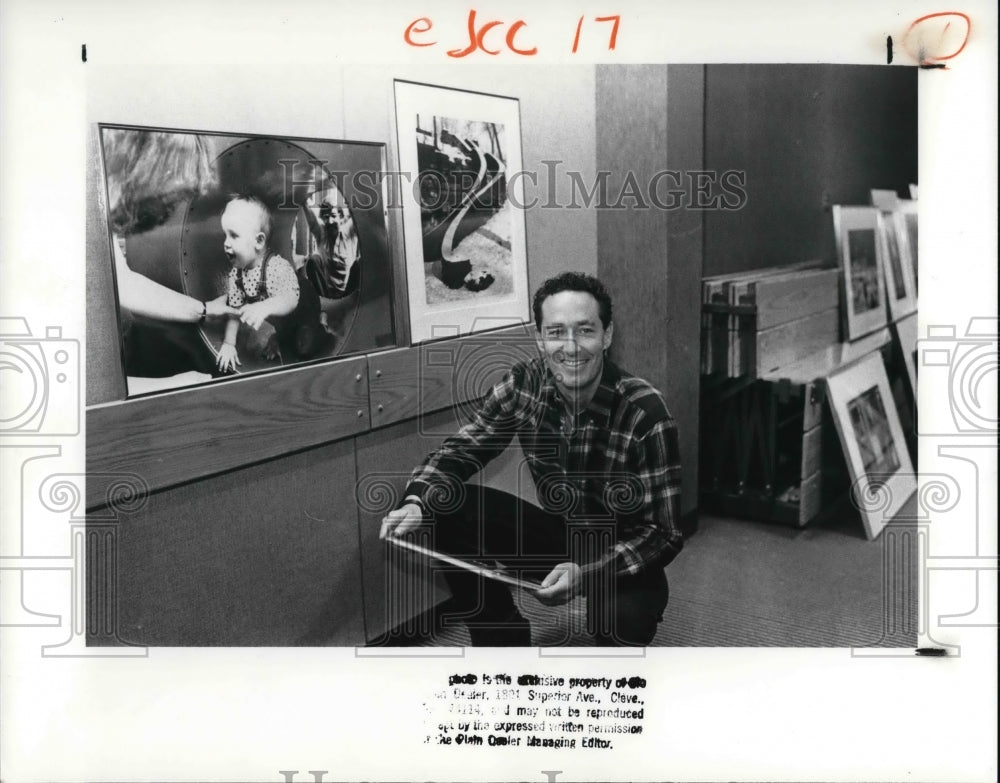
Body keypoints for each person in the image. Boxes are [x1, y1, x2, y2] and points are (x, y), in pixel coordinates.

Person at [381, 271, 683, 646]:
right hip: (560, 536)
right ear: (539, 338)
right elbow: (459, 451)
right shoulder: (522, 384)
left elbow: (664, 534)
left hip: (621, 551)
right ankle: (502, 640)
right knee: (437, 503)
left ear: (607, 336)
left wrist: (586, 574)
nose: (570, 347)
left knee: (620, 623)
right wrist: (415, 502)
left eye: (585, 330)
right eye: (555, 332)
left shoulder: (645, 413)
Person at [217, 194, 325, 372]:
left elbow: (290, 300)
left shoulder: (276, 267)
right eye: (224, 235)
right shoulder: (236, 276)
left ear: (259, 241)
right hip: (283, 321)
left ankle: (320, 326)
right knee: (290, 343)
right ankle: (281, 337)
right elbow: (234, 313)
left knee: (306, 347)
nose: (226, 244)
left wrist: (264, 307)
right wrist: (229, 344)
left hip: (305, 306)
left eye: (234, 236)